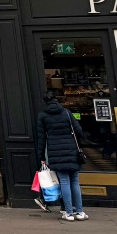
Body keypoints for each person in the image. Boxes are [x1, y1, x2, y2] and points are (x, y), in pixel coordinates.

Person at [36, 91, 88, 221]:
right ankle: (80, 212)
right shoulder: (66, 113)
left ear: (45, 102)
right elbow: (79, 130)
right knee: (75, 182)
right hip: (71, 149)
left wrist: (41, 156)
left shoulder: (42, 116)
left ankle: (68, 213)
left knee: (64, 181)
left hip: (55, 151)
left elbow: (41, 138)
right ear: (56, 100)